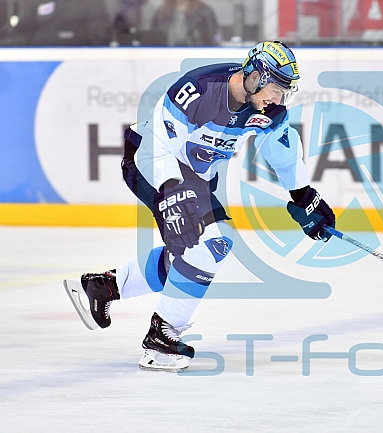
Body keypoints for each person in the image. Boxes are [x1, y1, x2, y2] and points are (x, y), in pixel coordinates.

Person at [63, 41, 336, 372]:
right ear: (255, 77)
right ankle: (161, 338)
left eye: (284, 93)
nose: (277, 99)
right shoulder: (198, 90)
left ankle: (104, 285)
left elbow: (279, 148)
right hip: (149, 163)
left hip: (191, 178)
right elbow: (156, 150)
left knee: (198, 248)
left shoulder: (264, 109)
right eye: (275, 89)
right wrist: (173, 194)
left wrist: (303, 195)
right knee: (210, 244)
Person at [0, 0, 111, 46]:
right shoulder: (36, 2)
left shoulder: (91, 3)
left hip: (83, 61)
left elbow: (101, 34)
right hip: (39, 61)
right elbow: (22, 30)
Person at [151, 0, 218, 46]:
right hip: (165, 58)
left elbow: (213, 41)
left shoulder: (204, 12)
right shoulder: (161, 13)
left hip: (194, 58)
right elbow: (152, 39)